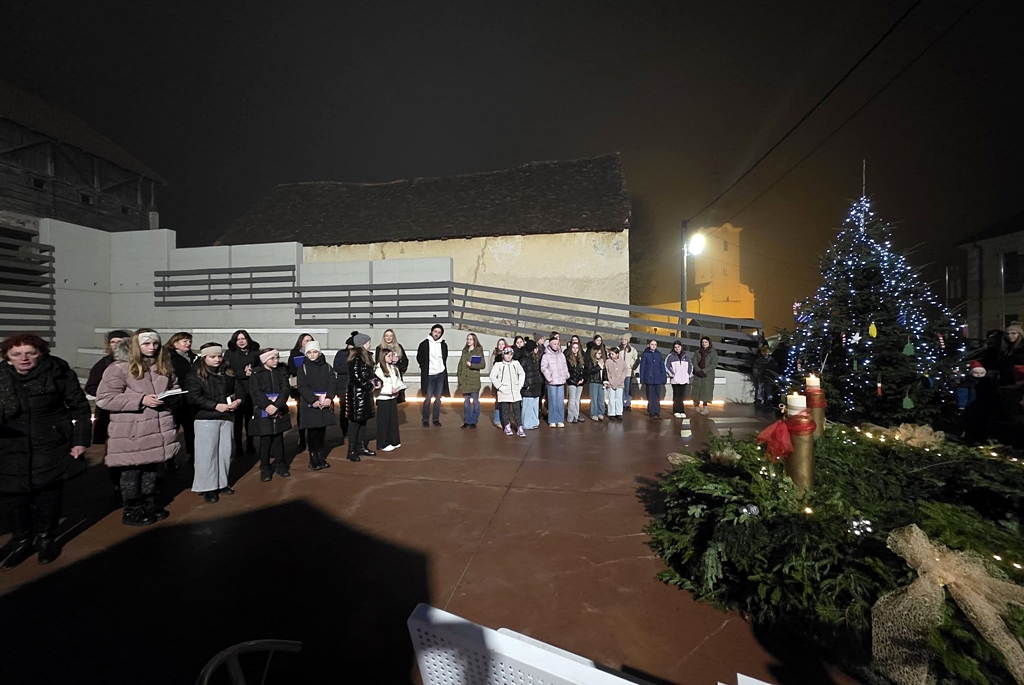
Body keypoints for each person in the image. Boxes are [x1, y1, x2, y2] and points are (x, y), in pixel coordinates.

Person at [0, 334, 90, 569]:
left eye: (30, 353)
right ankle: (21, 541)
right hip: (9, 445)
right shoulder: (1, 376)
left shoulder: (58, 372)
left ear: (41, 354)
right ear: (7, 358)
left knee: (48, 493)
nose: (24, 358)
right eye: (16, 354)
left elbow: (80, 408)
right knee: (14, 496)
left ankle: (46, 539)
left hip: (50, 441)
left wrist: (80, 441)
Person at [96, 329, 180, 525]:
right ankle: (132, 510)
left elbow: (174, 387)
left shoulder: (163, 366)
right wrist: (141, 399)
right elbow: (105, 398)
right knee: (132, 471)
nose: (152, 348)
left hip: (157, 428)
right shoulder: (118, 368)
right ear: (136, 345)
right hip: (132, 430)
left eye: (155, 344)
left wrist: (170, 397)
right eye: (146, 344)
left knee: (151, 468)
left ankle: (148, 504)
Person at [183, 343, 242, 503]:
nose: (217, 359)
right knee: (206, 454)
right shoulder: (194, 374)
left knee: (225, 452)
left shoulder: (228, 372)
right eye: (212, 356)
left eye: (219, 356)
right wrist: (216, 406)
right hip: (206, 418)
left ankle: (222, 483)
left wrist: (238, 401)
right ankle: (208, 487)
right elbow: (194, 397)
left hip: (226, 417)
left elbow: (239, 388)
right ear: (204, 357)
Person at [84, 328, 130, 490]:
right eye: (112, 342)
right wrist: (111, 394)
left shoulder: (139, 362)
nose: (116, 345)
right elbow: (91, 387)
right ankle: (116, 480)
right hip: (110, 413)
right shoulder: (103, 363)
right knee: (114, 448)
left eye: (120, 341)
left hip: (133, 412)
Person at [249, 348, 292, 481]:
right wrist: (267, 406)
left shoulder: (281, 372)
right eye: (272, 358)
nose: (276, 361)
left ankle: (281, 464)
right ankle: (265, 467)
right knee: (265, 440)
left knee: (278, 439)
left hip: (278, 409)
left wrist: (277, 405)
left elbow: (285, 390)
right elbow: (256, 392)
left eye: (277, 358)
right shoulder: (257, 374)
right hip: (263, 410)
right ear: (264, 360)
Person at [297, 340, 337, 470]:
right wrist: (313, 400)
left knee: (321, 431)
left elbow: (332, 383)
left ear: (319, 353)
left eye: (314, 352)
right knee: (312, 432)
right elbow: (302, 387)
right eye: (309, 352)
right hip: (310, 405)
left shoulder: (327, 367)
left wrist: (329, 398)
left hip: (324, 403)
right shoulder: (302, 368)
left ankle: (321, 456)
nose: (312, 354)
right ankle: (313, 457)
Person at [161, 331, 198, 468]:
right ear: (175, 343)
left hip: (190, 399)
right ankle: (169, 459)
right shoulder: (168, 357)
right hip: (175, 399)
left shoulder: (193, 357)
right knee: (172, 429)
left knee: (191, 429)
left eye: (190, 341)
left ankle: (192, 455)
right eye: (185, 341)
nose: (188, 344)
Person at [224, 329, 260, 455]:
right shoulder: (230, 353)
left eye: (243, 338)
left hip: (251, 389)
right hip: (237, 389)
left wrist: (253, 372)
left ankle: (250, 444)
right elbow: (227, 371)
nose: (241, 341)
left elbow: (260, 367)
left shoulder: (255, 352)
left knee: (250, 419)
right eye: (238, 339)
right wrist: (243, 374)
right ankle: (238, 446)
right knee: (238, 420)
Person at [347, 333, 379, 461]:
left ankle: (360, 446)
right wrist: (369, 386)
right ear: (362, 344)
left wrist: (377, 381)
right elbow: (356, 377)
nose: (370, 344)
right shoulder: (357, 358)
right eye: (368, 342)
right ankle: (351, 450)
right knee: (355, 423)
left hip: (364, 394)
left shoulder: (365, 357)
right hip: (357, 395)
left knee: (363, 421)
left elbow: (369, 374)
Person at [957, 361, 1001, 444]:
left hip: (983, 406)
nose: (978, 375)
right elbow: (963, 395)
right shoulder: (967, 383)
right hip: (973, 406)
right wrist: (962, 406)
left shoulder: (986, 383)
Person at [287, 332, 314, 452]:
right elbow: (292, 369)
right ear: (300, 342)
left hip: (313, 386)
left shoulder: (316, 353)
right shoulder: (295, 354)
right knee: (301, 412)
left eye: (310, 340)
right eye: (306, 340)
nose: (308, 342)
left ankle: (312, 437)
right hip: (299, 387)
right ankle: (301, 436)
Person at [417, 324, 449, 427]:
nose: (437, 334)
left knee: (438, 398)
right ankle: (425, 419)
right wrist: (425, 367)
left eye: (439, 332)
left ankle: (436, 419)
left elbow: (444, 357)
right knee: (428, 398)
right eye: (435, 331)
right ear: (431, 331)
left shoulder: (443, 345)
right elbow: (419, 358)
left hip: (440, 374)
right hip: (429, 375)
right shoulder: (424, 344)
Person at [490, 346, 526, 437]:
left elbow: (522, 374)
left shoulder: (516, 363)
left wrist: (520, 385)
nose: (509, 356)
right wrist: (500, 386)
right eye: (507, 354)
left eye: (510, 354)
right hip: (504, 392)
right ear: (503, 355)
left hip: (515, 391)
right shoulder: (498, 365)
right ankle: (507, 426)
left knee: (517, 410)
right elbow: (492, 376)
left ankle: (519, 427)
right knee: (505, 410)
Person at [375, 348, 406, 451]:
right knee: (383, 422)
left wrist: (399, 387)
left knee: (393, 420)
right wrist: (390, 390)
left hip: (393, 397)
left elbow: (397, 380)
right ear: (383, 357)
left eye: (392, 355)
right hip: (383, 398)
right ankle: (382, 443)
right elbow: (378, 386)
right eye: (389, 356)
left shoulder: (393, 368)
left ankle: (394, 440)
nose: (391, 358)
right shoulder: (378, 370)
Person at [332, 331, 357, 445]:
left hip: (354, 386)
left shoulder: (358, 354)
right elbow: (336, 367)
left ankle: (352, 430)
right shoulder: (341, 354)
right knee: (344, 409)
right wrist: (351, 370)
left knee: (353, 409)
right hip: (343, 386)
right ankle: (345, 430)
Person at [457, 333, 486, 429]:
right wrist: (459, 377)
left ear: (474, 340)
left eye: (471, 339)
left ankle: (474, 421)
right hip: (464, 381)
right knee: (466, 402)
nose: (469, 341)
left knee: (475, 402)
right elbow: (460, 365)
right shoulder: (464, 351)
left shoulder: (478, 350)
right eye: (468, 339)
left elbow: (482, 365)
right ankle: (467, 421)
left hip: (473, 381)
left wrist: (472, 365)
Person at [540, 337, 569, 427]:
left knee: (560, 401)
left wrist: (566, 375)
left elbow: (565, 366)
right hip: (552, 382)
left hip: (561, 381)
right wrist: (549, 377)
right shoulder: (546, 356)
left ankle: (560, 419)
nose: (556, 346)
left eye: (558, 344)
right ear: (550, 345)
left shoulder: (561, 355)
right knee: (552, 401)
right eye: (555, 344)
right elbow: (543, 367)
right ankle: (552, 420)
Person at [691, 336, 719, 415]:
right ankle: (696, 405)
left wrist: (704, 371)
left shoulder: (713, 352)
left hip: (707, 376)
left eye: (706, 342)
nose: (704, 344)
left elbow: (713, 364)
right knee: (696, 390)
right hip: (698, 374)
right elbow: (694, 361)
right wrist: (698, 370)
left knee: (706, 392)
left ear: (709, 343)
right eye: (703, 342)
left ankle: (705, 408)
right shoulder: (697, 352)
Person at [639, 340, 666, 418]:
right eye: (652, 344)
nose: (654, 346)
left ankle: (657, 411)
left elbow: (662, 367)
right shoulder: (645, 354)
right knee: (650, 396)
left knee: (657, 396)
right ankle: (651, 411)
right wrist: (642, 378)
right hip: (649, 378)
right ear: (648, 345)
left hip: (657, 378)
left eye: (655, 344)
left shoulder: (658, 354)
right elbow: (642, 367)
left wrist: (663, 377)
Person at [520, 340, 544, 429]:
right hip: (528, 387)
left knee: (534, 406)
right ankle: (526, 424)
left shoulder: (535, 359)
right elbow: (520, 374)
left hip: (536, 385)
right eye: (535, 348)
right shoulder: (524, 360)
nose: (537, 349)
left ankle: (534, 422)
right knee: (527, 406)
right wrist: (525, 384)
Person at [665, 340, 692, 418]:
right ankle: (676, 410)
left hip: (684, 379)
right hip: (675, 380)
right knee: (676, 395)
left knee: (682, 396)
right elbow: (666, 366)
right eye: (675, 347)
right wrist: (672, 375)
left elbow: (690, 366)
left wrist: (688, 375)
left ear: (681, 347)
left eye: (678, 347)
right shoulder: (670, 356)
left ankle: (682, 410)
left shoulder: (686, 356)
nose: (677, 348)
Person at [565, 340, 587, 423]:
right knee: (572, 399)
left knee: (577, 400)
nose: (575, 349)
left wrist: (582, 379)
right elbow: (569, 370)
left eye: (577, 348)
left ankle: (576, 415)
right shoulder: (568, 359)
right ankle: (570, 417)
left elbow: (584, 370)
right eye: (573, 348)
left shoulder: (582, 359)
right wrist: (574, 380)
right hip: (572, 381)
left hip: (580, 382)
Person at [605, 347, 629, 421]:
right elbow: (607, 372)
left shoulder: (622, 362)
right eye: (610, 354)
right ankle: (611, 413)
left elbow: (625, 371)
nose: (611, 355)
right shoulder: (608, 362)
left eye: (613, 354)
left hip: (620, 384)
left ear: (617, 354)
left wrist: (621, 380)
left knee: (619, 398)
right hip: (611, 383)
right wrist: (610, 380)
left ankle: (619, 413)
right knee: (611, 398)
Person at [585, 347, 608, 421]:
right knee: (594, 399)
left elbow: (604, 372)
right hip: (593, 381)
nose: (600, 355)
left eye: (601, 353)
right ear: (594, 353)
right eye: (598, 353)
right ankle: (593, 413)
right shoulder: (591, 361)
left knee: (601, 398)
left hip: (601, 382)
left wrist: (605, 380)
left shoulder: (602, 361)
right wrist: (599, 366)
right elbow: (590, 371)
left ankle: (600, 412)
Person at [490, 338, 508, 427]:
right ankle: (497, 420)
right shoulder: (494, 355)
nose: (501, 346)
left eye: (502, 344)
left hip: (506, 381)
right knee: (498, 401)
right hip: (497, 382)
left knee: (505, 402)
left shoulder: (508, 354)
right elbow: (491, 369)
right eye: (499, 344)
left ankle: (504, 419)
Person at [618, 334, 639, 412]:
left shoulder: (632, 350)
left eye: (625, 339)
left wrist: (632, 366)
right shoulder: (618, 349)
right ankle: (622, 403)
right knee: (621, 388)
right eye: (622, 339)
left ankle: (628, 403)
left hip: (628, 372)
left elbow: (637, 359)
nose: (623, 341)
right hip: (620, 372)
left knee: (628, 388)